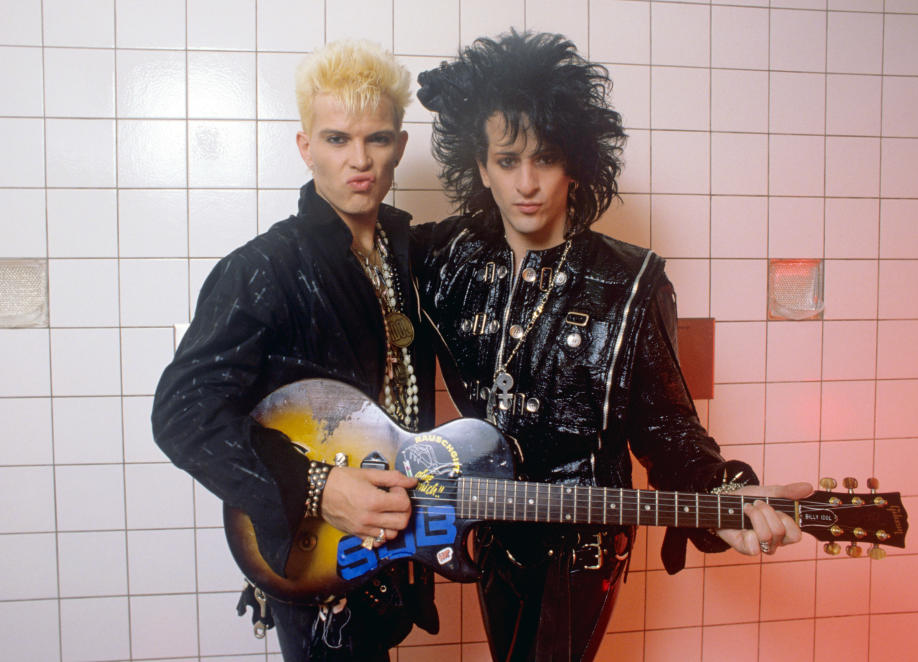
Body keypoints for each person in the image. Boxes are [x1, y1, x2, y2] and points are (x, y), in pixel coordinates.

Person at [412, 31, 813, 661]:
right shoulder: (445, 261)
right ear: (481, 166)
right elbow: (360, 294)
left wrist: (723, 494)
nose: (527, 183)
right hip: (490, 529)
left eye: (544, 158)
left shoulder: (629, 281)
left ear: (575, 162)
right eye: (507, 160)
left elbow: (668, 426)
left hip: (583, 544)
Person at [152, 40, 438, 661]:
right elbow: (181, 416)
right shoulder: (262, 268)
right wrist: (317, 486)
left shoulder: (410, 256)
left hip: (389, 542)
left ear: (401, 147)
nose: (359, 160)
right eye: (336, 139)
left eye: (378, 139)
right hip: (314, 556)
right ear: (305, 146)